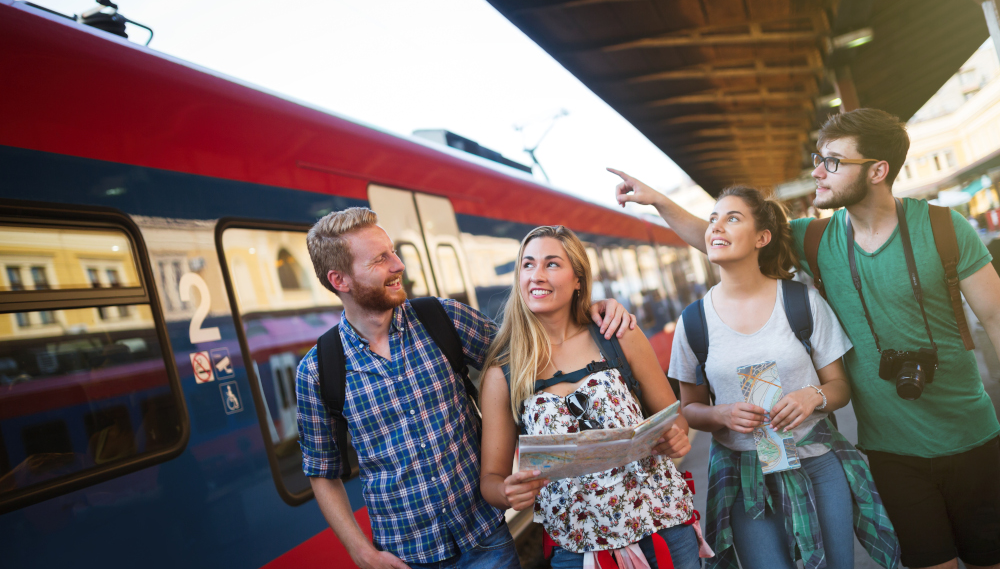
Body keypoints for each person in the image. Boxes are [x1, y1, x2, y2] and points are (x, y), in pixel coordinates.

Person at [610, 107, 1000, 569]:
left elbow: (995, 317)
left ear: (878, 170)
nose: (818, 170)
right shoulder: (815, 240)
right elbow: (723, 237)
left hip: (975, 437)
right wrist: (659, 200)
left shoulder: (943, 228)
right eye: (819, 157)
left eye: (833, 161)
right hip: (891, 451)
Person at [295, 208, 637, 569]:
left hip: (484, 540)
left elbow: (533, 352)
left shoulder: (442, 318)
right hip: (405, 555)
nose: (398, 265)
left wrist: (588, 311)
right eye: (381, 259)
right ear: (340, 280)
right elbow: (323, 472)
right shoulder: (318, 371)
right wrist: (360, 552)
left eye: (393, 252)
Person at [667, 186, 898, 569]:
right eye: (712, 219)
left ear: (763, 238)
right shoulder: (693, 322)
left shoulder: (801, 302)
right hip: (744, 480)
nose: (716, 226)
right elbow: (689, 408)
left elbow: (839, 386)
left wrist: (812, 396)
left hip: (817, 464)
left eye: (732, 217)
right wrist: (721, 415)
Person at [478, 225, 701, 569]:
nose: (536, 275)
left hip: (664, 528)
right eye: (527, 264)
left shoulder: (618, 335)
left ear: (578, 279)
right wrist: (508, 493)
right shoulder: (503, 372)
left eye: (552, 264)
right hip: (577, 550)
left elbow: (676, 421)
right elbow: (491, 480)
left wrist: (675, 438)